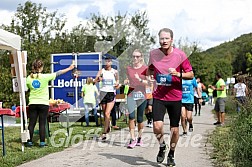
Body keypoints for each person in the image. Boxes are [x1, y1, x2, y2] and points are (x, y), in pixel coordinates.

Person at [146, 28, 193, 166]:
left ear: (172, 40)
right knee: (157, 126)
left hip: (175, 97)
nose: (164, 41)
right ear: (159, 40)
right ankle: (162, 146)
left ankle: (171, 154)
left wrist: (178, 74)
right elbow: (150, 69)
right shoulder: (153, 54)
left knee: (174, 129)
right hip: (159, 95)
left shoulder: (180, 55)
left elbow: (190, 74)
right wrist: (149, 76)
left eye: (167, 38)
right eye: (161, 38)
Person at [26, 59, 74, 147]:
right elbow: (58, 73)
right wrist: (69, 68)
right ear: (41, 68)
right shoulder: (45, 77)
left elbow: (25, 88)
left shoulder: (29, 78)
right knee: (42, 123)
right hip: (43, 103)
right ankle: (42, 142)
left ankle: (29, 141)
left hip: (32, 102)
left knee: (31, 123)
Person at [124, 49, 148, 149]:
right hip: (131, 95)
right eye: (133, 56)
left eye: (137, 56)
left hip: (142, 95)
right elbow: (127, 79)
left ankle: (139, 137)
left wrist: (140, 80)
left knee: (140, 118)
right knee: (131, 116)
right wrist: (126, 81)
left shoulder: (145, 68)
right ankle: (132, 139)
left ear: (141, 57)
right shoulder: (128, 68)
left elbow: (148, 83)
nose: (135, 58)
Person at [94, 55, 119, 140]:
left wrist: (117, 85)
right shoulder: (101, 71)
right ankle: (108, 127)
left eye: (109, 61)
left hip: (111, 93)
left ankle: (104, 133)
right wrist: (98, 79)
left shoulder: (114, 71)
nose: (107, 62)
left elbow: (118, 82)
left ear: (111, 62)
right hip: (103, 93)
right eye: (106, 61)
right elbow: (94, 81)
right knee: (105, 113)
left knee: (107, 113)